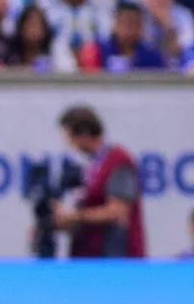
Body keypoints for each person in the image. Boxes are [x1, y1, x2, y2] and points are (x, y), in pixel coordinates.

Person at [54, 105, 146, 257]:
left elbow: (117, 211)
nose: (69, 144)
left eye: (70, 137)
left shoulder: (118, 160)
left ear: (84, 134)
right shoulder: (93, 164)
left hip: (115, 259)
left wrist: (75, 215)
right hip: (91, 255)